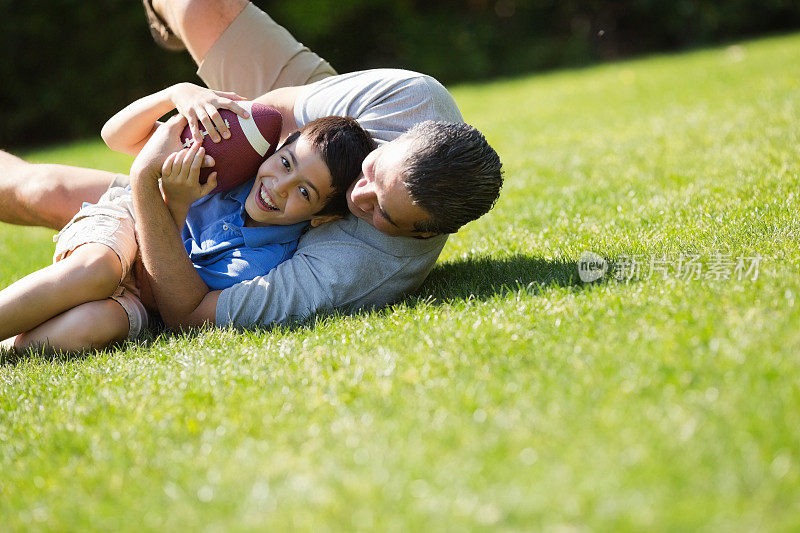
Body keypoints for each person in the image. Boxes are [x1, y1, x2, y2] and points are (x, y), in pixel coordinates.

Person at [0, 0, 503, 332]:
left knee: (40, 190)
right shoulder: (410, 102)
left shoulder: (360, 268)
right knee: (198, 5)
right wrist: (209, 143)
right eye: (373, 173)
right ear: (398, 139)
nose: (359, 197)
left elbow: (190, 312)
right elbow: (281, 110)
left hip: (248, 225)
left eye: (384, 214)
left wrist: (154, 191)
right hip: (313, 139)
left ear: (419, 235)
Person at [0, 92, 374, 351]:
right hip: (126, 221)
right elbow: (115, 136)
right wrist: (176, 94)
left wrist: (176, 209)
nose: (278, 186)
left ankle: (9, 347)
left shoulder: (262, 262)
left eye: (304, 193)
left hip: (145, 291)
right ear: (282, 146)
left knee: (96, 325)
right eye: (286, 163)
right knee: (97, 269)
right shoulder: (236, 162)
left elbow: (158, 284)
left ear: (323, 216)